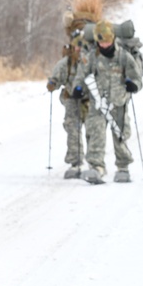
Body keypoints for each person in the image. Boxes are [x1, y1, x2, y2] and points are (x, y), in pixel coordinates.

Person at [71, 20, 143, 184]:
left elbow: (136, 77)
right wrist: (78, 88)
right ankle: (97, 167)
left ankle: (123, 167)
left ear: (113, 39)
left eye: (107, 41)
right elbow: (81, 75)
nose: (104, 45)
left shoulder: (124, 57)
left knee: (120, 135)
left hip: (118, 102)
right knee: (95, 133)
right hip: (97, 102)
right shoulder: (91, 58)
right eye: (101, 41)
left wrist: (133, 85)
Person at [47, 31, 89, 178]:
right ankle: (76, 162)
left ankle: (95, 163)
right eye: (76, 47)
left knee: (93, 129)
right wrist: (52, 83)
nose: (79, 50)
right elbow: (56, 78)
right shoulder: (66, 63)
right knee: (72, 126)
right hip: (72, 99)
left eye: (82, 47)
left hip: (91, 98)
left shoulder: (92, 60)